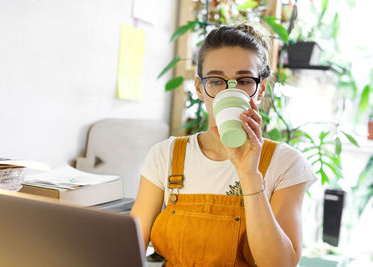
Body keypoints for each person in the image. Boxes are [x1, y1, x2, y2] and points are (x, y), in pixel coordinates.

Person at [130, 22, 317, 267]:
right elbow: (129, 249)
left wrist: (249, 175)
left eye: (244, 81)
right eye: (216, 81)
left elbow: (279, 264)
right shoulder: (166, 155)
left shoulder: (285, 163)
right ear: (199, 88)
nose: (229, 92)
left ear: (260, 90)